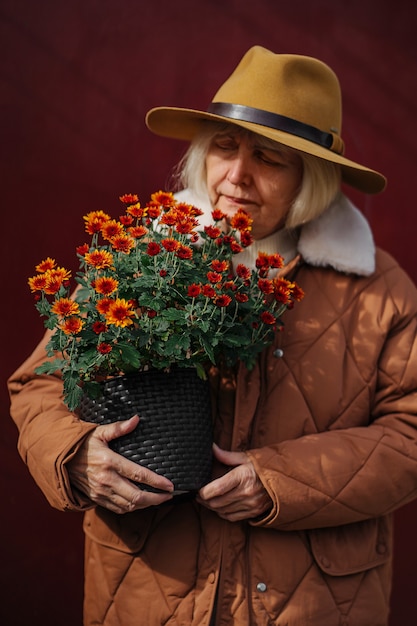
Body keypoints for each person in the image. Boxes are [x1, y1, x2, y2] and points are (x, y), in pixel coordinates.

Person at [8, 45, 417, 626]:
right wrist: (75, 458)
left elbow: (411, 433)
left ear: (312, 178)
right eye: (225, 146)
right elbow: (38, 386)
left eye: (269, 158)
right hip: (149, 590)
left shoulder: (378, 290)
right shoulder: (141, 257)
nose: (236, 175)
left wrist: (282, 481)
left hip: (316, 603)